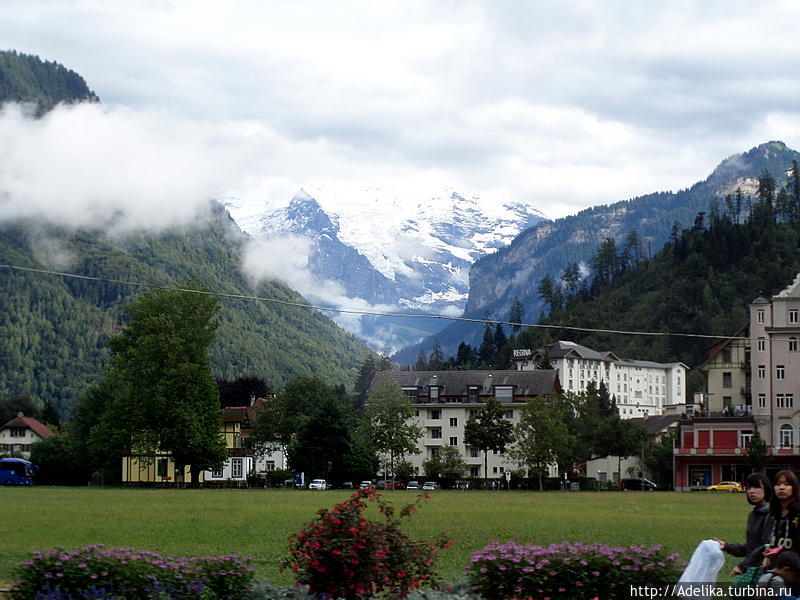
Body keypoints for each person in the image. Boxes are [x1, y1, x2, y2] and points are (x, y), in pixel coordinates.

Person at [714, 473, 775, 575]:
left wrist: (742, 566)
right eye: (749, 488)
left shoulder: (772, 514)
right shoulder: (753, 514)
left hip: (765, 570)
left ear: (767, 489)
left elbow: (765, 547)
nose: (751, 491)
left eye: (756, 487)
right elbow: (751, 548)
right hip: (752, 569)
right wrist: (727, 546)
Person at [770, 470, 800, 552]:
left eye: (787, 484)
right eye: (778, 484)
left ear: (794, 487)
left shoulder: (797, 513)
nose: (781, 487)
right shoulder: (772, 513)